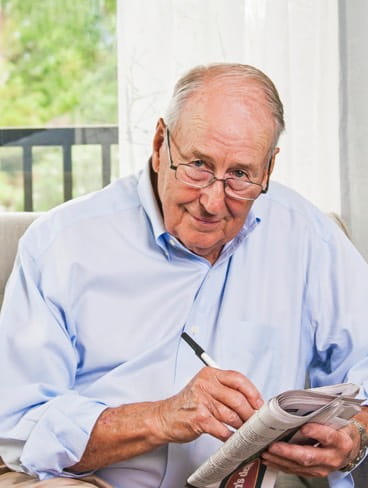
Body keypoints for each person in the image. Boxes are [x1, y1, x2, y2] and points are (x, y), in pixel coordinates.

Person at [0, 63, 367, 488]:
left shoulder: (308, 235)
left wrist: (353, 436)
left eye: (240, 175)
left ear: (268, 169)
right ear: (160, 145)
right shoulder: (62, 243)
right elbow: (19, 425)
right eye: (197, 164)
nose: (213, 201)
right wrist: (161, 417)